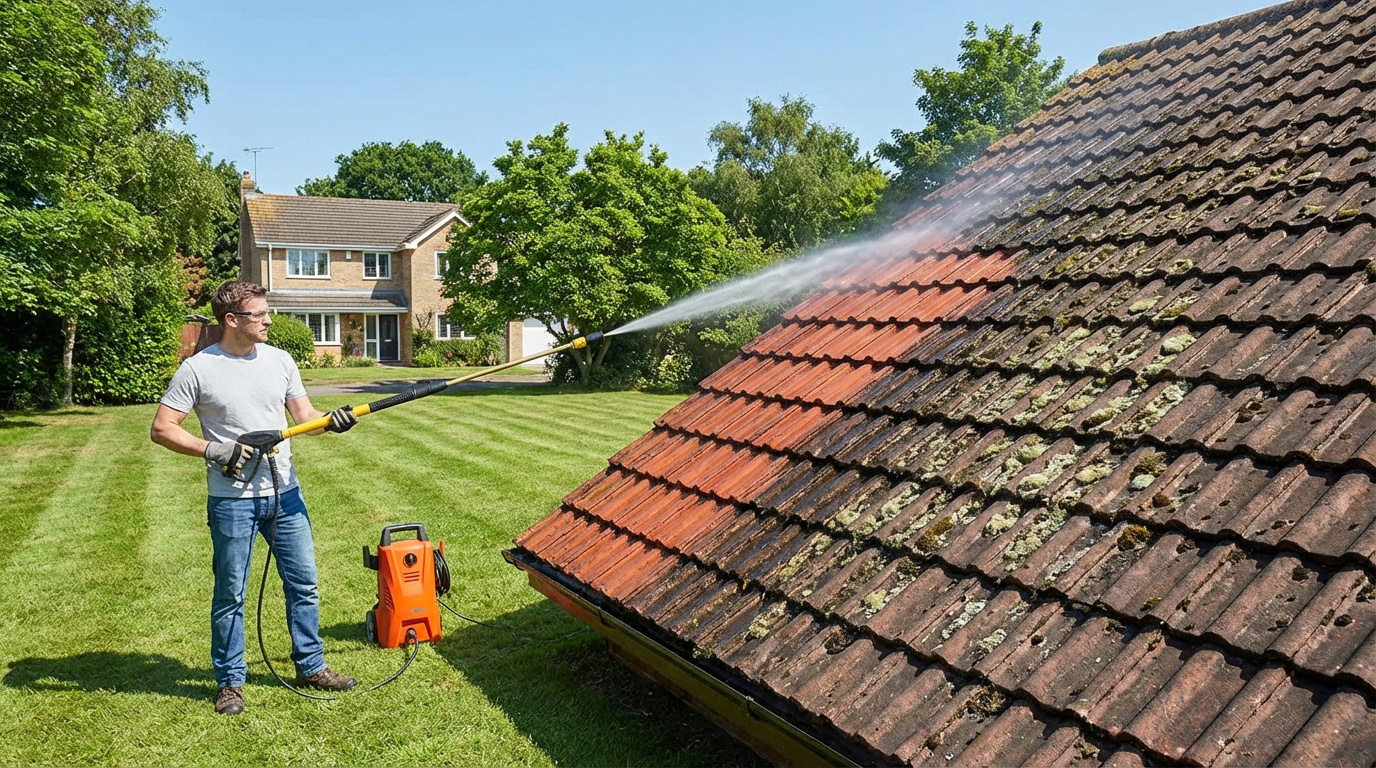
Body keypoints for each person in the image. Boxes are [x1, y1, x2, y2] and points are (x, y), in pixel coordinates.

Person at [150, 280, 359, 716]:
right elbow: (162, 428)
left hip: (286, 494)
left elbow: (305, 418)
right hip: (232, 501)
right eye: (259, 314)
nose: (268, 320)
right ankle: (230, 682)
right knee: (231, 593)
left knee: (303, 583)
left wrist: (332, 421)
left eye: (267, 312)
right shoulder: (198, 369)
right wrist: (213, 449)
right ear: (232, 320)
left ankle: (311, 666)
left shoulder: (280, 361)